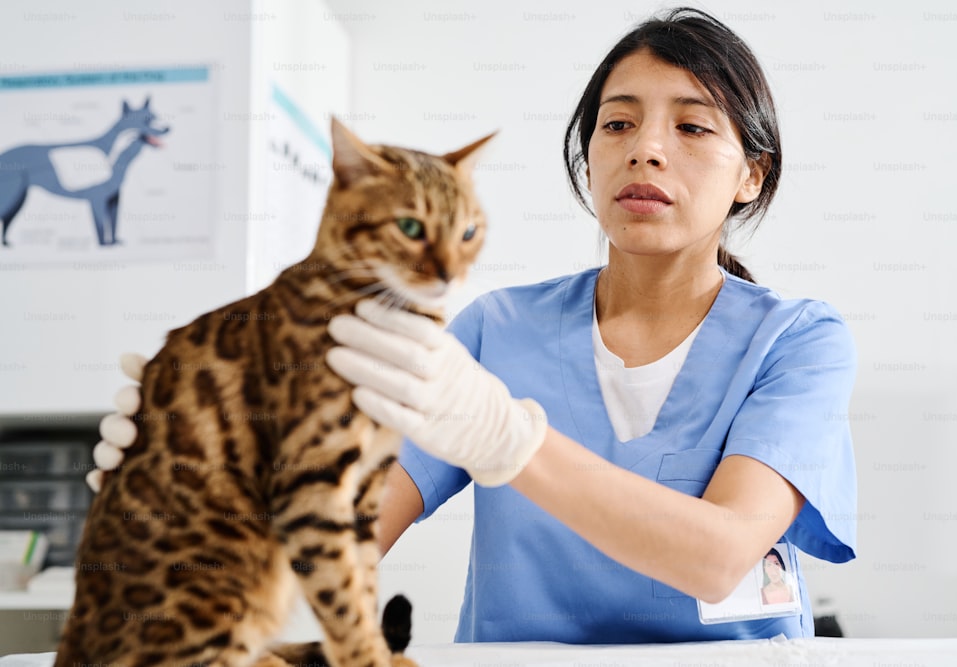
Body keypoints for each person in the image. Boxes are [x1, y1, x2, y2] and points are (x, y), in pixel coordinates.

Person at [91, 7, 857, 644]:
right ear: (589, 161)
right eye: (617, 124)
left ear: (751, 174)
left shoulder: (799, 341)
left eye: (692, 129)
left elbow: (719, 555)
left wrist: (509, 439)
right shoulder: (498, 327)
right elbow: (339, 524)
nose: (646, 149)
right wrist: (188, 476)